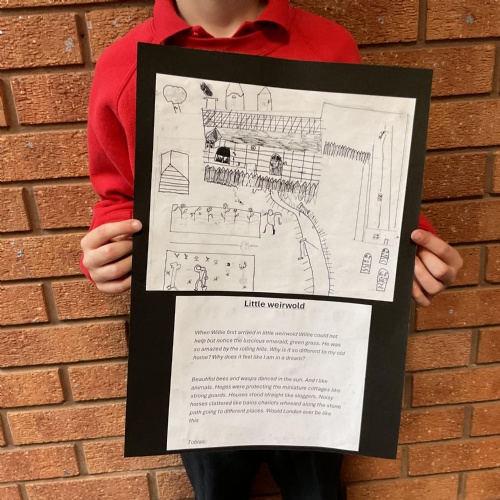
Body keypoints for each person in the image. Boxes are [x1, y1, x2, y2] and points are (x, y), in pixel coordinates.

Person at [81, 1, 463, 498]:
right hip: (201, 353)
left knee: (316, 488)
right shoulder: (124, 65)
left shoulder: (328, 47)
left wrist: (411, 247)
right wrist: (108, 248)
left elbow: (354, 176)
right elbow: (118, 193)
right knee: (217, 488)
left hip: (311, 351)